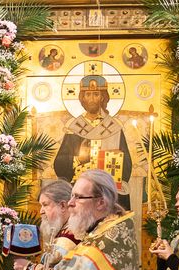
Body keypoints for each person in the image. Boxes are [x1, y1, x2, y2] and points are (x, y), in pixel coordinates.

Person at [53, 75, 133, 210]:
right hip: (79, 191)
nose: (91, 99)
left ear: (102, 97)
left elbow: (127, 165)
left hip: (105, 191)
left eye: (96, 94)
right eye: (88, 94)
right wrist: (78, 159)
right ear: (82, 98)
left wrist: (114, 158)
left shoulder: (113, 127)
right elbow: (59, 164)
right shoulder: (74, 127)